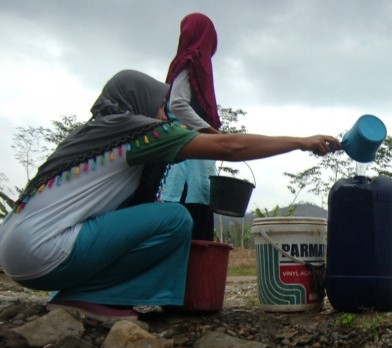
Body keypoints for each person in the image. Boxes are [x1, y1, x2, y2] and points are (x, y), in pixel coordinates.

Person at [0, 70, 339, 322]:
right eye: (161, 107)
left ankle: (78, 294)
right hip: (43, 252)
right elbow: (230, 146)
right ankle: (94, 297)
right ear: (140, 105)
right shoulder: (138, 132)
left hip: (15, 251)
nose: (165, 116)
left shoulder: (92, 136)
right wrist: (301, 141)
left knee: (144, 218)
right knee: (174, 218)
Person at [160, 12, 222, 241]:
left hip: (194, 159)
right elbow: (177, 104)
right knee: (194, 229)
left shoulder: (186, 64)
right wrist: (210, 132)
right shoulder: (191, 62)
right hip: (188, 162)